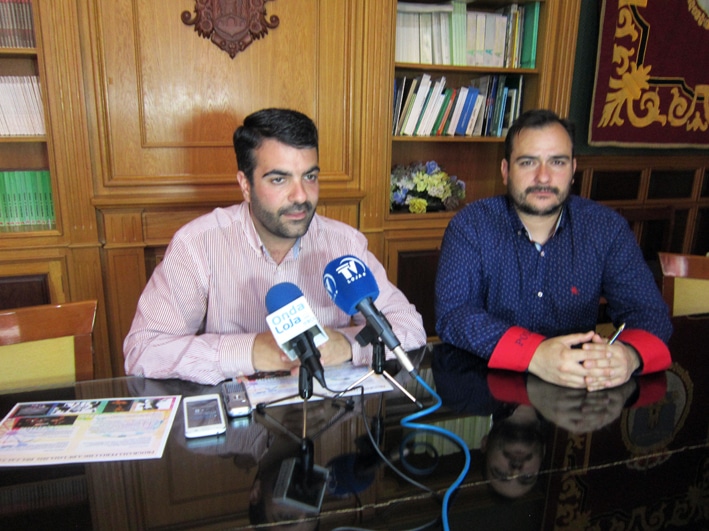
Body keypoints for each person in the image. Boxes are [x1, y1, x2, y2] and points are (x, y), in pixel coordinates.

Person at [124, 108, 426, 384]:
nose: (301, 196)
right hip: (240, 421)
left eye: (310, 176)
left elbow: (409, 326)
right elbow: (144, 350)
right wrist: (254, 350)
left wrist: (348, 344)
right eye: (279, 179)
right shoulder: (197, 245)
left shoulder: (345, 244)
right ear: (245, 185)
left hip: (328, 414)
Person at [434, 109, 672, 392]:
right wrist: (534, 354)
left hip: (578, 390)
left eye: (557, 162)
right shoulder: (471, 225)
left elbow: (649, 312)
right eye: (528, 162)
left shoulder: (605, 228)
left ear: (573, 170)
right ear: (506, 171)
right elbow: (453, 314)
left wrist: (628, 356)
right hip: (488, 390)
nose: (543, 177)